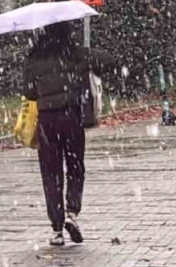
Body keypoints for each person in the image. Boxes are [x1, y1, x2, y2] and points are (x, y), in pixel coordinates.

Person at [20, 19, 117, 246]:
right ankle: (72, 213)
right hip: (72, 118)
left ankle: (56, 229)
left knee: (51, 172)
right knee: (75, 167)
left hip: (47, 121)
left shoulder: (34, 59)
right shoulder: (76, 54)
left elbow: (30, 93)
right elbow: (111, 61)